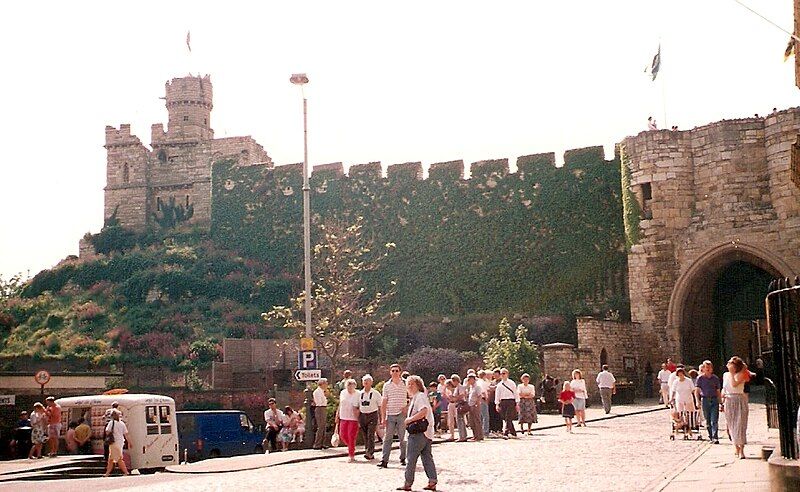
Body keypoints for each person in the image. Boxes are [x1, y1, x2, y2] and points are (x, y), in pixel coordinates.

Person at [397, 375, 437, 492]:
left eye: (411, 384)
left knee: (411, 458)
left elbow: (423, 411)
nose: (409, 386)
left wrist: (409, 420)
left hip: (418, 433)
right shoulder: (418, 397)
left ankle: (408, 483)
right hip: (427, 432)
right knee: (427, 457)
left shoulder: (419, 397)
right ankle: (432, 480)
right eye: (408, 384)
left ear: (418, 385)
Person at [378, 364, 408, 468]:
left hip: (401, 414)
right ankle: (384, 460)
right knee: (387, 438)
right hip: (390, 414)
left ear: (400, 372)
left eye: (396, 371)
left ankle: (403, 458)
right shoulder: (387, 385)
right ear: (390, 372)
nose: (395, 373)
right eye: (393, 371)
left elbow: (413, 396)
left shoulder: (405, 383)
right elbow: (384, 401)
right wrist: (383, 417)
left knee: (403, 438)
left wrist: (407, 407)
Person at [723, 356, 749, 459]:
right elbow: (725, 388)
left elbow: (734, 385)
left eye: (730, 363)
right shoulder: (725, 375)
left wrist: (733, 373)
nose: (728, 365)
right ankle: (736, 446)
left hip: (739, 400)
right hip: (729, 400)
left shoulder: (741, 375)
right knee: (731, 425)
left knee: (740, 425)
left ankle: (742, 449)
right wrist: (722, 397)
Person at [695, 360, 721, 444]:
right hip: (705, 399)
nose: (708, 369)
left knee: (714, 419)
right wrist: (697, 401)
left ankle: (715, 437)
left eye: (709, 368)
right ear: (704, 368)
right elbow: (697, 390)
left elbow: (718, 391)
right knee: (708, 420)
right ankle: (711, 436)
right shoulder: (700, 378)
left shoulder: (715, 378)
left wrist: (720, 402)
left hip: (714, 400)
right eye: (706, 368)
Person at [336, 378, 360, 462]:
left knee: (351, 436)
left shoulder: (358, 394)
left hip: (353, 418)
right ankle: (351, 447)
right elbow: (340, 404)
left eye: (352, 386)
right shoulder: (343, 392)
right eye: (348, 385)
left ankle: (351, 454)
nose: (350, 387)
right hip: (343, 416)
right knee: (342, 435)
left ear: (355, 386)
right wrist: (337, 415)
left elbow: (360, 406)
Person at [359, 374, 382, 460]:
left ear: (371, 382)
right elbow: (357, 406)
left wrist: (382, 417)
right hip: (363, 415)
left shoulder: (375, 393)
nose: (365, 383)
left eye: (367, 381)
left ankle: (370, 452)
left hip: (372, 415)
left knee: (370, 434)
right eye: (364, 381)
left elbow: (380, 406)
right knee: (365, 435)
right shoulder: (360, 393)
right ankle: (367, 450)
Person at [669, 367, 696, 439]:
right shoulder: (676, 382)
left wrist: (697, 399)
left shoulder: (689, 381)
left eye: (682, 374)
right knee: (680, 415)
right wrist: (671, 398)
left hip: (688, 399)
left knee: (689, 415)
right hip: (679, 400)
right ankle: (682, 428)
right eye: (679, 374)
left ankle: (689, 428)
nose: (681, 376)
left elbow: (693, 390)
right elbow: (674, 391)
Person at [103, 410, 129, 477]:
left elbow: (107, 431)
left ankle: (126, 472)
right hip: (120, 442)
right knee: (111, 458)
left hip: (113, 442)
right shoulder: (122, 423)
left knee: (118, 458)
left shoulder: (111, 423)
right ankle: (107, 473)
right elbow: (126, 433)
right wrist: (129, 442)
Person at [495, 368, 519, 438]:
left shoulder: (511, 383)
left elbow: (515, 393)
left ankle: (505, 433)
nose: (502, 375)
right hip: (503, 401)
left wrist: (517, 403)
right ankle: (513, 432)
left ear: (507, 374)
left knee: (508, 416)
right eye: (501, 374)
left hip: (510, 401)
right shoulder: (499, 384)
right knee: (505, 418)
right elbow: (497, 395)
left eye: (504, 373)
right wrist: (497, 404)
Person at [465, 374, 484, 441]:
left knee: (477, 420)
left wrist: (477, 404)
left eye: (469, 379)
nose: (468, 381)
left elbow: (479, 396)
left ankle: (479, 436)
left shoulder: (477, 387)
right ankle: (475, 435)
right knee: (471, 421)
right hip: (470, 405)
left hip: (475, 406)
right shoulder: (471, 387)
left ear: (473, 379)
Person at [312, 378, 329, 450]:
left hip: (323, 408)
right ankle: (317, 444)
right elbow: (319, 402)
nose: (327, 385)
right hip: (320, 408)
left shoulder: (322, 391)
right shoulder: (317, 392)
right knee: (321, 427)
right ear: (322, 384)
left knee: (323, 427)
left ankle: (322, 443)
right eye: (326, 383)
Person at [487, 370, 503, 437]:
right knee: (492, 415)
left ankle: (499, 429)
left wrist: (494, 388)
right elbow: (489, 388)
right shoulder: (492, 382)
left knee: (498, 416)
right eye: (494, 375)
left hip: (498, 400)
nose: (495, 376)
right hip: (491, 400)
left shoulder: (502, 382)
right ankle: (493, 429)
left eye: (497, 375)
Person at [477, 370, 490, 437]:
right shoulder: (483, 382)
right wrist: (486, 398)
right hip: (483, 399)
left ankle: (480, 430)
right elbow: (484, 391)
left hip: (478, 399)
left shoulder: (477, 382)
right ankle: (485, 431)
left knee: (481, 416)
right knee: (485, 416)